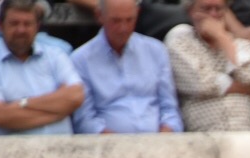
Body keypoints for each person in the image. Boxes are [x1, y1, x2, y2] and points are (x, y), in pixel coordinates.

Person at [0, 0, 85, 136]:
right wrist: (58, 111)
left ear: (37, 26)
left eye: (27, 24)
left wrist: (21, 104)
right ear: (1, 26)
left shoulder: (55, 56)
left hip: (60, 153)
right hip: (9, 154)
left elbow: (76, 96)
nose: (21, 30)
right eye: (14, 23)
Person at [71, 0, 182, 134]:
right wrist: (124, 147)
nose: (123, 28)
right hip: (108, 148)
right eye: (116, 21)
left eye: (129, 20)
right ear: (100, 16)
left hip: (160, 145)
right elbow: (85, 121)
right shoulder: (81, 59)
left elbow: (170, 109)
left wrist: (161, 141)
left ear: (138, 14)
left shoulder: (156, 51)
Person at [166, 0, 250, 130]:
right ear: (190, 11)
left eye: (219, 9)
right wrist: (245, 88)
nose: (213, 14)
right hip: (206, 132)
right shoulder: (180, 42)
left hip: (245, 129)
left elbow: (248, 76)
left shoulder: (243, 45)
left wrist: (222, 39)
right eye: (206, 9)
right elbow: (201, 84)